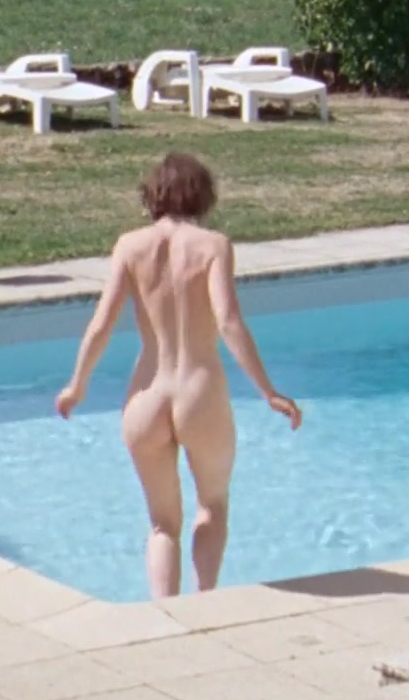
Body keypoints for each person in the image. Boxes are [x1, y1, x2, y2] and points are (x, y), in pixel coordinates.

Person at [56, 152, 302, 600]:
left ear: (153, 195)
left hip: (146, 396)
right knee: (213, 506)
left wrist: (77, 385)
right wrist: (268, 391)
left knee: (161, 524)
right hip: (199, 392)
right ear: (202, 195)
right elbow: (228, 322)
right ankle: (205, 603)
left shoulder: (129, 246)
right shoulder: (214, 247)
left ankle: (165, 615)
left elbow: (102, 324)